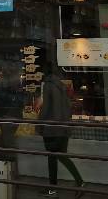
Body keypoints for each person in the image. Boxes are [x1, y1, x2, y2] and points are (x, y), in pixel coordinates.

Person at [37, 61, 84, 197]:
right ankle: (77, 183)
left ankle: (57, 187)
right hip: (63, 126)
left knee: (54, 157)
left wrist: (39, 124)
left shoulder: (48, 86)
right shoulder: (62, 86)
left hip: (52, 127)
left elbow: (45, 109)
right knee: (61, 156)